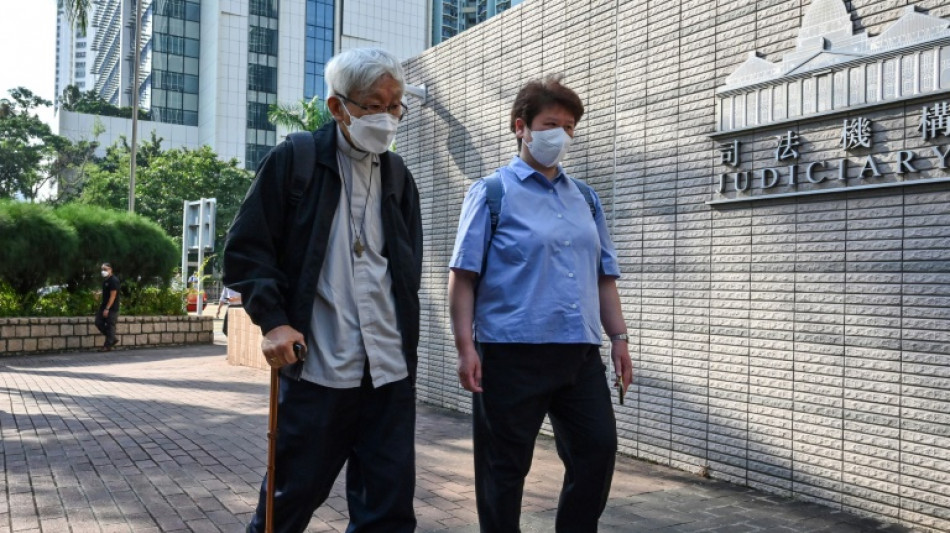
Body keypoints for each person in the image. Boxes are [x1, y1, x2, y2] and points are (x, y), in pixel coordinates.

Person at [223, 47, 422, 533]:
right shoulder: (296, 161)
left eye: (394, 106)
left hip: (389, 374)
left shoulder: (398, 178)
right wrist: (273, 319)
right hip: (319, 369)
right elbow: (247, 250)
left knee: (389, 513)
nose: (386, 117)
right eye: (373, 105)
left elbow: (406, 270)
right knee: (288, 504)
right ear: (338, 107)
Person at [448, 75, 634, 533]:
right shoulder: (492, 193)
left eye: (569, 126)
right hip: (511, 355)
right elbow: (463, 276)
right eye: (551, 123)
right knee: (503, 469)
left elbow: (604, 277)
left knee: (597, 450)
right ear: (521, 127)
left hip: (579, 355)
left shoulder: (586, 199)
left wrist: (620, 340)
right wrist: (465, 348)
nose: (561, 135)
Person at [95, 262, 120, 352]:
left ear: (110, 270)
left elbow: (113, 296)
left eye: (105, 269)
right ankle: (112, 338)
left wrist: (107, 308)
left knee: (110, 325)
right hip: (104, 306)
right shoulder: (106, 280)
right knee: (98, 322)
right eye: (102, 269)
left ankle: (107, 346)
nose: (103, 271)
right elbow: (107, 292)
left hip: (112, 308)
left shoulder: (114, 280)